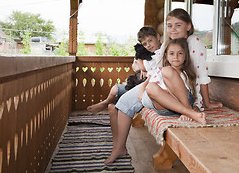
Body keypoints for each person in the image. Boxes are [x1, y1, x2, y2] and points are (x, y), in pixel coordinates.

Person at [104, 8, 222, 164]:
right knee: (124, 101)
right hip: (159, 87)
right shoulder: (167, 44)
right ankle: (119, 148)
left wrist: (205, 103)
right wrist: (143, 87)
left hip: (180, 94)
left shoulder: (193, 42)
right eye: (169, 25)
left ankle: (187, 110)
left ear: (188, 26)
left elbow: (201, 75)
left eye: (178, 25)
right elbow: (154, 70)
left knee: (164, 76)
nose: (173, 29)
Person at [86, 26, 161, 114]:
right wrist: (141, 68)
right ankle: (105, 103)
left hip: (147, 86)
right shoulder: (145, 52)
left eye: (150, 40)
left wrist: (143, 69)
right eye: (144, 44)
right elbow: (135, 66)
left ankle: (105, 103)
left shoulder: (161, 54)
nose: (148, 45)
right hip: (140, 82)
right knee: (114, 92)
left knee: (115, 97)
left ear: (158, 37)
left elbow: (143, 67)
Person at [139, 38, 206, 124]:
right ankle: (189, 113)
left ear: (185, 56)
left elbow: (197, 97)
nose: (175, 57)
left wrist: (195, 108)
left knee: (168, 70)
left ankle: (188, 111)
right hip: (164, 106)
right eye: (171, 53)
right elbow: (151, 93)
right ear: (166, 56)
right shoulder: (159, 71)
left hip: (185, 101)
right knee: (150, 87)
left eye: (180, 53)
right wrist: (165, 93)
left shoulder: (190, 74)